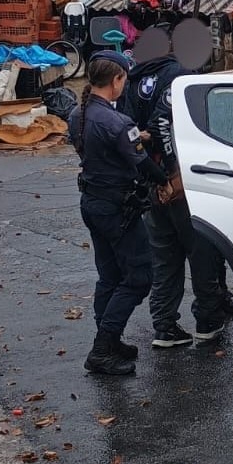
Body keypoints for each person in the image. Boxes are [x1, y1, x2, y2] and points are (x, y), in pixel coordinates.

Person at [119, 49, 233, 349]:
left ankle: (164, 326)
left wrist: (149, 172)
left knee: (164, 258)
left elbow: (129, 129)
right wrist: (171, 172)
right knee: (202, 252)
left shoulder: (134, 78)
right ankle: (207, 321)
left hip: (150, 179)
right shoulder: (180, 76)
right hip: (181, 180)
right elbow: (160, 122)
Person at [68, 51, 170, 376]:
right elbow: (141, 163)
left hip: (92, 203)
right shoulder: (117, 122)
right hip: (117, 209)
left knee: (110, 276)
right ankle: (102, 347)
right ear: (116, 80)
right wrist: (166, 181)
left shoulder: (77, 114)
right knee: (139, 277)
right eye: (124, 80)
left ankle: (108, 341)